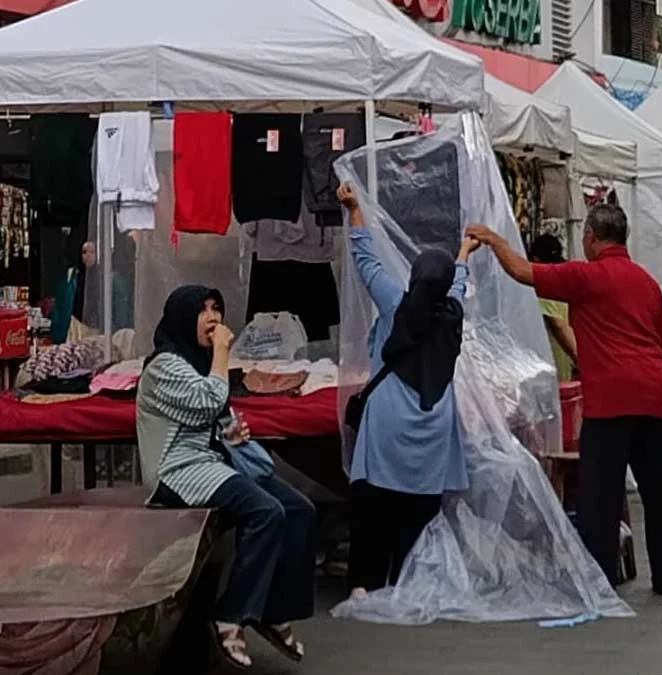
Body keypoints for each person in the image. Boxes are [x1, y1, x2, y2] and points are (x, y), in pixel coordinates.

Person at [465, 204, 662, 596]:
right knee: (656, 491)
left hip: (609, 398)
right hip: (650, 395)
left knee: (600, 491)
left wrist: (493, 239)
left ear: (591, 237)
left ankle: (599, 580)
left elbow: (522, 271)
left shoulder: (587, 276)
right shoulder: (647, 282)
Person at [138, 285, 316, 669]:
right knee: (265, 512)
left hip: (214, 461)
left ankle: (273, 611)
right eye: (202, 311)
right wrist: (222, 352)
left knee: (298, 509)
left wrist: (234, 433)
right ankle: (230, 615)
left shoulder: (199, 361)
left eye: (216, 308)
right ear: (182, 318)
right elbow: (207, 400)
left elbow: (218, 415)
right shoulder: (164, 365)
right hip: (179, 469)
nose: (213, 317)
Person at [335, 184, 481, 600]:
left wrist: (354, 209)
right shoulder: (452, 314)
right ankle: (408, 580)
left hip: (386, 423)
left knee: (373, 508)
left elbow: (366, 260)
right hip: (433, 424)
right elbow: (457, 281)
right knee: (418, 511)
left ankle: (364, 583)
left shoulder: (395, 304)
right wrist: (465, 253)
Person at [528, 234, 577, 381]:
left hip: (552, 366)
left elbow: (559, 324)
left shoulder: (542, 285)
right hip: (559, 364)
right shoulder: (561, 282)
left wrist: (578, 357)